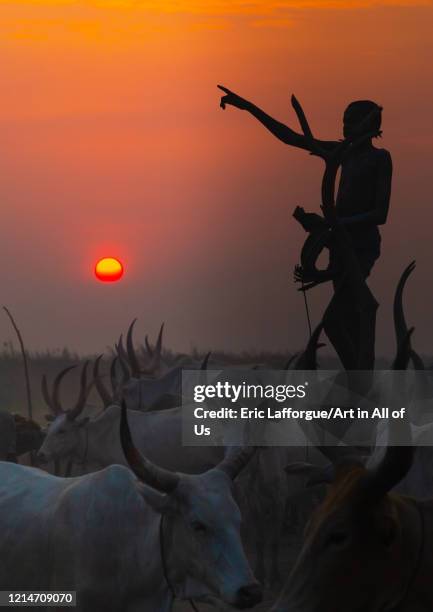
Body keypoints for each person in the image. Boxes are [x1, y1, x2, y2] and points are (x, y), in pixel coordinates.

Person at [218, 86, 392, 370]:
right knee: (347, 321)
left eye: (351, 121)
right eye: (343, 120)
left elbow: (380, 213)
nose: (345, 126)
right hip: (339, 245)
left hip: (360, 246)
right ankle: (359, 384)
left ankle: (359, 385)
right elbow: (292, 138)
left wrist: (335, 222)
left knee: (336, 321)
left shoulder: (380, 158)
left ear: (369, 126)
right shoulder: (342, 154)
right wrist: (248, 106)